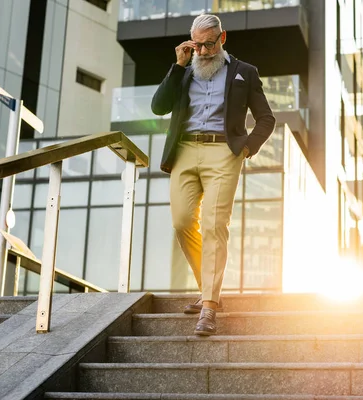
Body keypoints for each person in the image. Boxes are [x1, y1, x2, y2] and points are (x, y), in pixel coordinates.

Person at [151, 14, 276, 336]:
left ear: (222, 39)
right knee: (181, 221)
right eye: (197, 45)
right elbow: (158, 107)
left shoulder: (244, 73)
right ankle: (208, 287)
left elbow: (266, 118)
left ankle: (209, 305)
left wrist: (246, 149)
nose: (203, 52)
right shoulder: (183, 70)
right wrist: (177, 65)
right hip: (184, 152)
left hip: (224, 153)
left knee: (214, 224)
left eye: (209, 44)